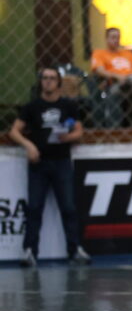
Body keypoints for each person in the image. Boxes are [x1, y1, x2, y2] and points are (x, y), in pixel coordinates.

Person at [8, 68, 91, 267]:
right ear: (40, 82)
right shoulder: (32, 107)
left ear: (58, 83)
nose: (48, 81)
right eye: (44, 78)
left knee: (69, 208)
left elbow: (79, 131)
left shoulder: (68, 106)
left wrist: (67, 137)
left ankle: (75, 249)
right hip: (39, 163)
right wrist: (29, 146)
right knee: (34, 208)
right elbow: (14, 132)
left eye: (52, 78)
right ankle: (30, 251)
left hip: (61, 162)